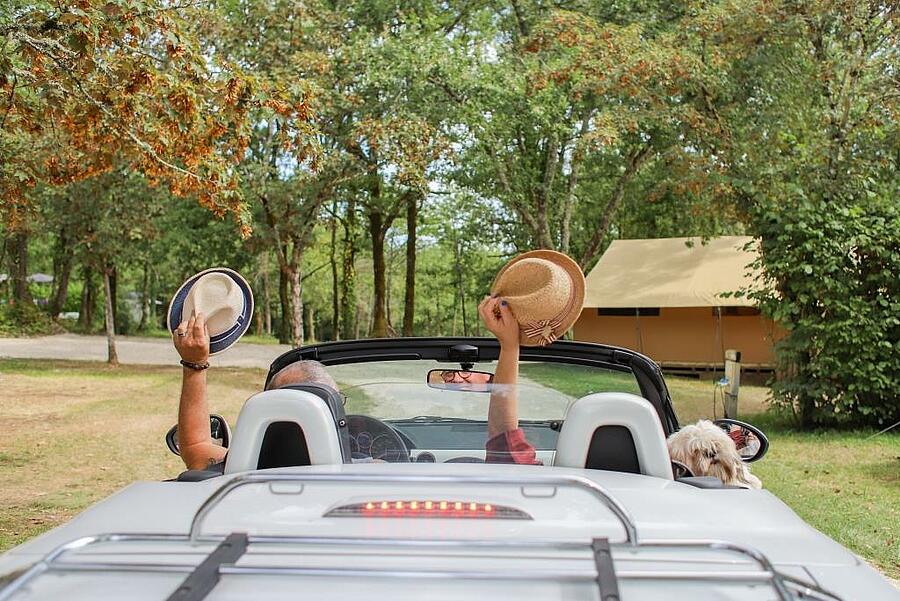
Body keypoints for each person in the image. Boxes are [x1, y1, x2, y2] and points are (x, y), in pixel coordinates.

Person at [172, 308, 539, 470]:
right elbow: (505, 448)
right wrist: (509, 347)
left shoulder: (249, 466)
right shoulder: (374, 467)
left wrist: (195, 364)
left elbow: (195, 447)